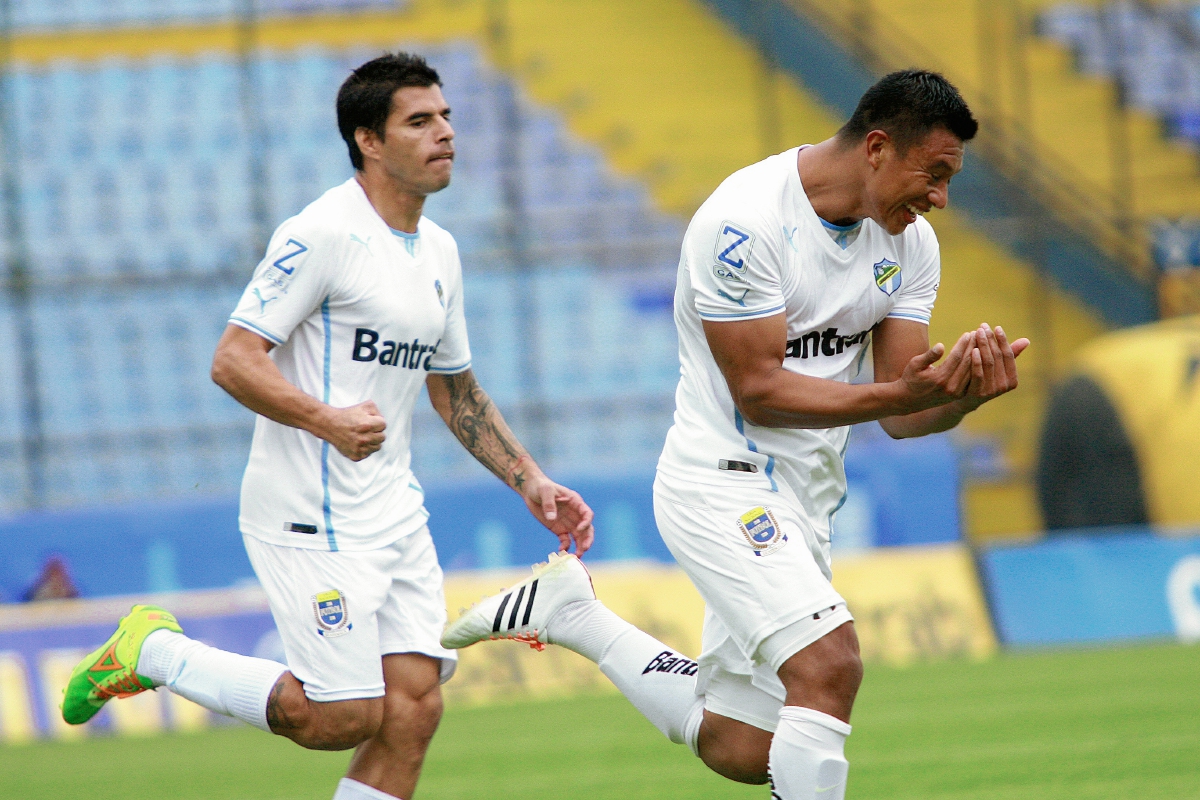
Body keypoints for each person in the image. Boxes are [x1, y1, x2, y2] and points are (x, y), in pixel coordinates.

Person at [441, 70, 1028, 799]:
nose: (940, 197)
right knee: (830, 663)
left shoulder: (911, 245)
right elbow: (759, 393)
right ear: (878, 148)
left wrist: (961, 398)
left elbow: (905, 414)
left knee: (744, 747)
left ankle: (577, 617)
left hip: (808, 497)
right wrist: (898, 393)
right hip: (720, 481)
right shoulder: (744, 220)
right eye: (933, 174)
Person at [61, 52, 594, 800]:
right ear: (368, 140)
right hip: (310, 513)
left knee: (413, 710)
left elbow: (456, 390)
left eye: (446, 116)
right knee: (341, 715)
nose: (445, 132)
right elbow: (233, 359)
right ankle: (151, 651)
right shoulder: (321, 234)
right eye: (420, 121)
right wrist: (327, 420)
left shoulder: (438, 250)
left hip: (394, 511)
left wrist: (530, 480)